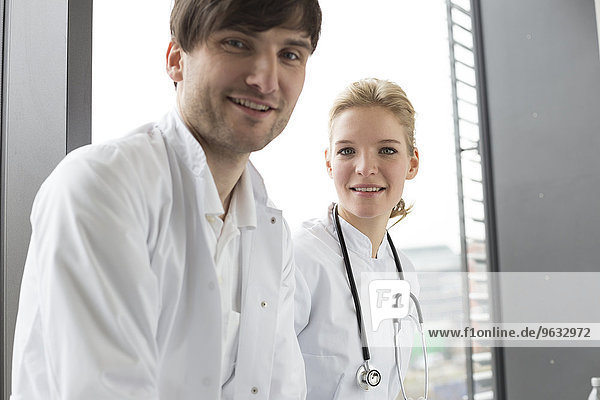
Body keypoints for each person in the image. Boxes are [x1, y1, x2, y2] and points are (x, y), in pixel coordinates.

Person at [11, 1, 321, 399]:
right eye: (237, 43)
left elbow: (277, 389)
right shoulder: (102, 187)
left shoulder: (269, 230)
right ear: (176, 59)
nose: (265, 79)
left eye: (290, 54)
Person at [294, 78, 421, 399]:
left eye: (387, 150)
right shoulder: (298, 260)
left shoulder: (405, 271)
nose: (365, 168)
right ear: (328, 162)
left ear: (412, 163)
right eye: (347, 151)